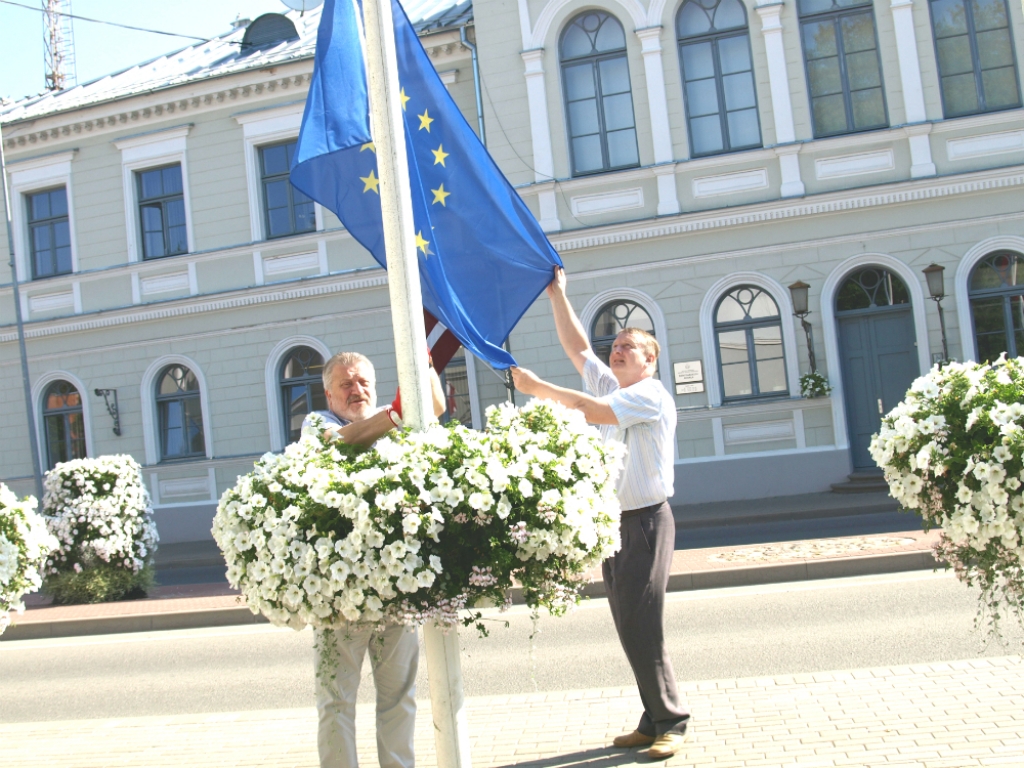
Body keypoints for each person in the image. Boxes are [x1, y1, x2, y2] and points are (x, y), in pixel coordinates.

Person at [510, 268, 692, 759]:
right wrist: (558, 296)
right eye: (617, 344)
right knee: (628, 622)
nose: (617, 348)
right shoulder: (614, 386)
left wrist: (535, 387)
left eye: (630, 346)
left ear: (650, 361)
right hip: (617, 526)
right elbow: (579, 351)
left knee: (643, 622)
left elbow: (591, 411)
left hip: (648, 521)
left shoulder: (649, 395)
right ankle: (653, 718)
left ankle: (672, 719)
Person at [301, 350, 445, 768]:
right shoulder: (318, 424)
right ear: (328, 393)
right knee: (336, 701)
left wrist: (425, 363)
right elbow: (340, 442)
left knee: (399, 697)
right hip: (338, 594)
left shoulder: (389, 416)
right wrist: (397, 416)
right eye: (345, 384)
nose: (356, 390)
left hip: (396, 587)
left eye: (363, 381)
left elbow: (432, 407)